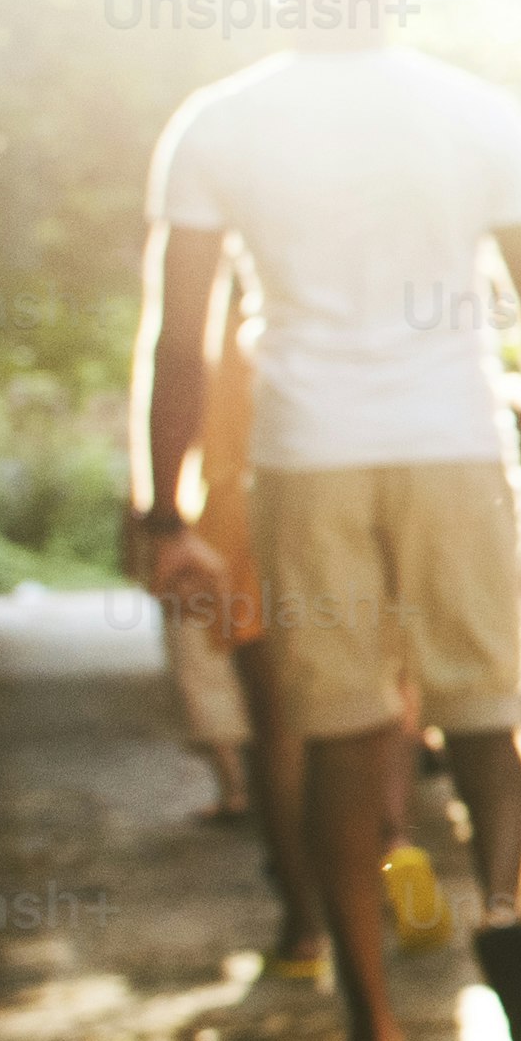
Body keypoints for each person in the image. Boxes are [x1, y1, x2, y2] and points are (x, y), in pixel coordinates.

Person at [128, 0, 521, 1041]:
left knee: (341, 737)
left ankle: (378, 1036)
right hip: (451, 440)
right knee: (485, 712)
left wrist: (162, 507)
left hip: (305, 454)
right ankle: (499, 909)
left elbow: (177, 341)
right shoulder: (476, 111)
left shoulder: (219, 124)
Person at [150, 298, 324, 971]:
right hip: (344, 483)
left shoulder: (206, 262)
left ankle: (305, 923)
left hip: (242, 504)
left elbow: (169, 367)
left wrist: (165, 519)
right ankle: (388, 859)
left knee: (275, 722)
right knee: (373, 706)